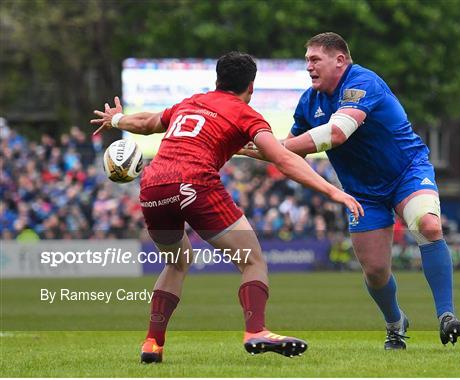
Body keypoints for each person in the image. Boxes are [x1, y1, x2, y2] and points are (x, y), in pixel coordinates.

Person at [90, 51, 363, 362]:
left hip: (153, 186)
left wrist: (116, 119)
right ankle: (256, 330)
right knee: (252, 260)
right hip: (195, 183)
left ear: (217, 81)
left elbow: (149, 122)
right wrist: (332, 191)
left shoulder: (190, 102)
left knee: (177, 262)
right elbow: (284, 159)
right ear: (251, 87)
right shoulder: (247, 115)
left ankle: (152, 343)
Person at [241, 32, 460, 349]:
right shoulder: (309, 101)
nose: (309, 67)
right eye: (307, 60)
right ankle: (395, 323)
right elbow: (291, 152)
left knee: (428, 226)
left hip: (407, 172)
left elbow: (336, 133)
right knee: (375, 271)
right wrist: (260, 148)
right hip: (361, 191)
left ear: (340, 60)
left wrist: (275, 148)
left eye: (315, 59)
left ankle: (446, 316)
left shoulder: (363, 81)